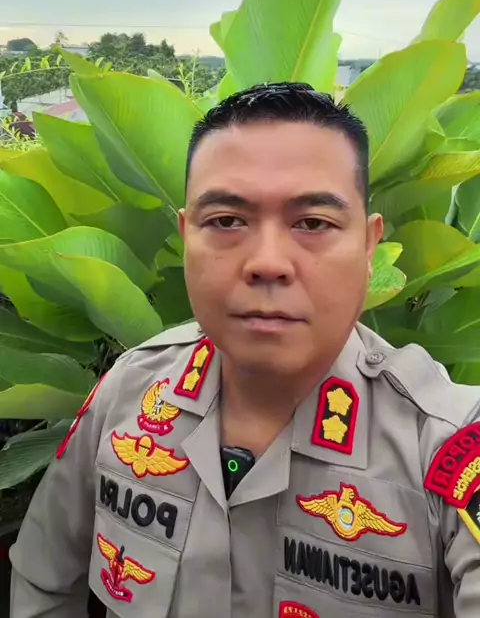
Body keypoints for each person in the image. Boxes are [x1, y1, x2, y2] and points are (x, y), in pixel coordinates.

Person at [9, 82, 480, 618]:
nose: (267, 262)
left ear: (369, 245)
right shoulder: (132, 389)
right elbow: (42, 580)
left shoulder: (444, 445)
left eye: (313, 223)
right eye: (227, 221)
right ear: (187, 236)